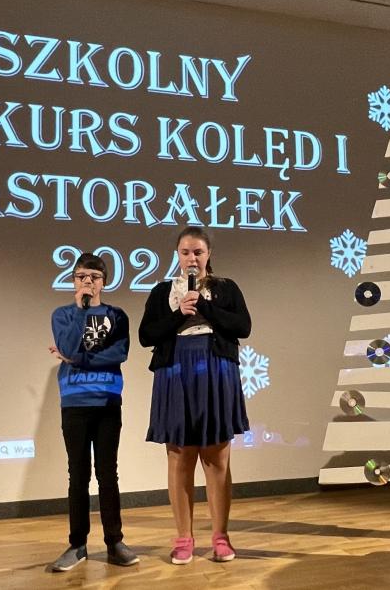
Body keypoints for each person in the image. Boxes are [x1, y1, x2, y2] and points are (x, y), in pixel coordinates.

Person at [139, 226, 251, 565]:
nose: (192, 258)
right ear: (178, 255)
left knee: (216, 459)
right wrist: (179, 314)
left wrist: (204, 306)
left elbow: (243, 327)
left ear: (208, 254)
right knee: (180, 458)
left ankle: (221, 537)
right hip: (175, 373)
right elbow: (146, 335)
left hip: (215, 371)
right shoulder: (163, 291)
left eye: (198, 252)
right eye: (186, 252)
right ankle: (183, 538)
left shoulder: (226, 287)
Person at [48, 253, 138, 571]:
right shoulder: (62, 314)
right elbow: (68, 346)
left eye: (94, 276)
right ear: (74, 280)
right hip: (74, 402)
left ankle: (114, 542)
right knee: (78, 475)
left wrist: (77, 358)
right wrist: (79, 312)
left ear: (104, 281)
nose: (87, 281)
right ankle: (77, 545)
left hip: (107, 402)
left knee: (107, 474)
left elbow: (119, 353)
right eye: (81, 276)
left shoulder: (117, 315)